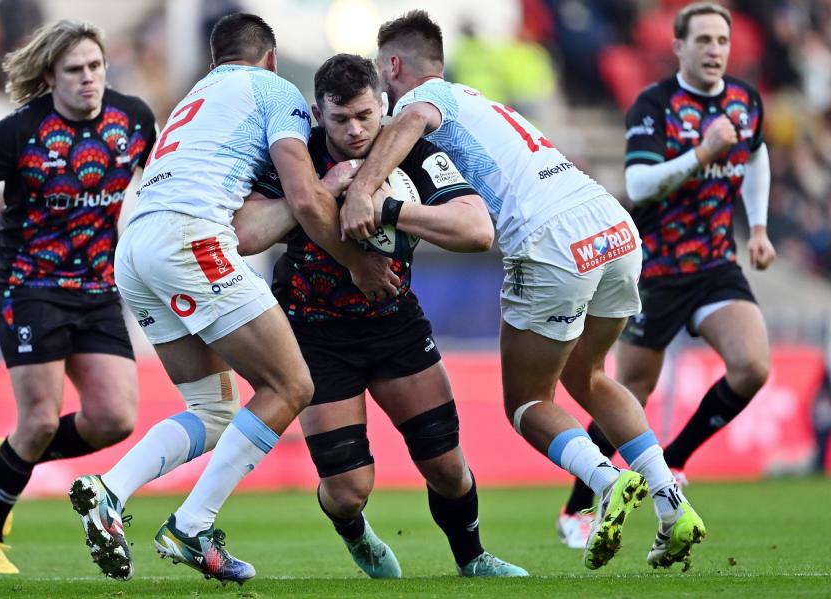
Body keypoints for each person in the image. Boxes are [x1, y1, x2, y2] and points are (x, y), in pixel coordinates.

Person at [342, 10, 706, 572]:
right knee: (590, 377)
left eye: (380, 74)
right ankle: (672, 504)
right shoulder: (482, 102)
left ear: (394, 65)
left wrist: (363, 189)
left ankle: (606, 481)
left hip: (552, 239)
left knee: (528, 402)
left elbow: (412, 115)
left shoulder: (428, 98)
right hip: (609, 223)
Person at [67, 13, 398, 584]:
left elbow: (270, 215)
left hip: (136, 248)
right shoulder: (275, 91)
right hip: (191, 239)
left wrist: (333, 182)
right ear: (270, 57)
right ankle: (192, 525)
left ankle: (110, 491)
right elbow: (305, 197)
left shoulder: (196, 96)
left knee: (214, 409)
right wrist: (358, 264)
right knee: (292, 384)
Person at [233, 53, 526, 578]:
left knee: (446, 467)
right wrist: (328, 188)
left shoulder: (413, 155)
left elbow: (478, 232)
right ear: (318, 114)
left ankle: (473, 558)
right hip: (313, 333)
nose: (355, 130)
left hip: (393, 322)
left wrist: (387, 207)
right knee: (348, 492)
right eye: (341, 119)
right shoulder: (293, 155)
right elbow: (247, 233)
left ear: (384, 107)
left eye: (366, 116)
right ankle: (354, 533)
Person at [0, 20, 156, 575]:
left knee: (116, 418)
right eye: (75, 70)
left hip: (99, 289)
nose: (89, 79)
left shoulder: (135, 120)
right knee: (38, 420)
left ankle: (4, 457)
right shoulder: (18, 132)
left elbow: (157, 189)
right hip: (31, 288)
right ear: (51, 75)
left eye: (96, 66)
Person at [557, 1, 774, 550]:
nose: (714, 50)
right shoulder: (655, 106)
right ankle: (577, 506)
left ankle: (673, 462)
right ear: (679, 47)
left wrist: (762, 227)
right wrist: (702, 153)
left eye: (721, 41)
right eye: (702, 40)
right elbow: (641, 183)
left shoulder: (745, 101)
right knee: (630, 388)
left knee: (752, 366)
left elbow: (757, 155)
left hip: (716, 264)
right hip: (654, 268)